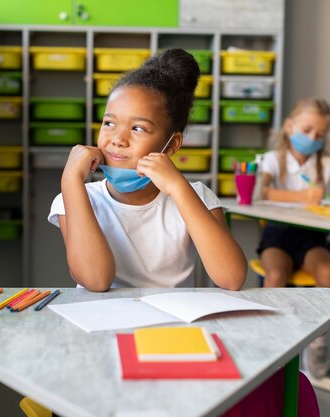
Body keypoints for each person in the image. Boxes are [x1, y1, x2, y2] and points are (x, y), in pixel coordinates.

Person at [48, 48, 247, 292]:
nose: (118, 139)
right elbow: (96, 280)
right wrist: (70, 181)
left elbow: (232, 278)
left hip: (173, 326)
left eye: (138, 128)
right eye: (109, 123)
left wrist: (178, 187)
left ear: (172, 144)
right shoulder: (77, 197)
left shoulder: (195, 196)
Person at [258, 97, 330, 378]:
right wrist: (299, 196)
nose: (312, 138)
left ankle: (316, 344)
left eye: (319, 134)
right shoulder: (273, 160)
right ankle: (274, 347)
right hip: (278, 235)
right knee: (274, 274)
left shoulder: (327, 164)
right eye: (307, 130)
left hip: (312, 239)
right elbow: (261, 192)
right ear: (289, 127)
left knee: (327, 271)